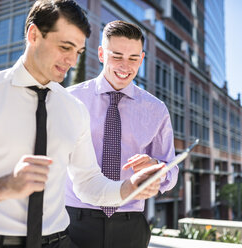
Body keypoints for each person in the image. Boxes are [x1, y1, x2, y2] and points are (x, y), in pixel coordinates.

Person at [0, 2, 164, 248]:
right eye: (65, 47)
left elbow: (87, 183)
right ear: (33, 35)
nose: (72, 61)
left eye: (78, 52)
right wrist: (2, 187)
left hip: (60, 242)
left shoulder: (73, 108)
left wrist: (128, 188)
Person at [66, 20, 178, 248]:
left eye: (133, 58)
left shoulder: (156, 109)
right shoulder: (70, 100)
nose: (125, 66)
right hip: (73, 221)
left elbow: (172, 170)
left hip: (130, 225)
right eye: (116, 56)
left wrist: (156, 167)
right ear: (100, 54)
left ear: (142, 59)